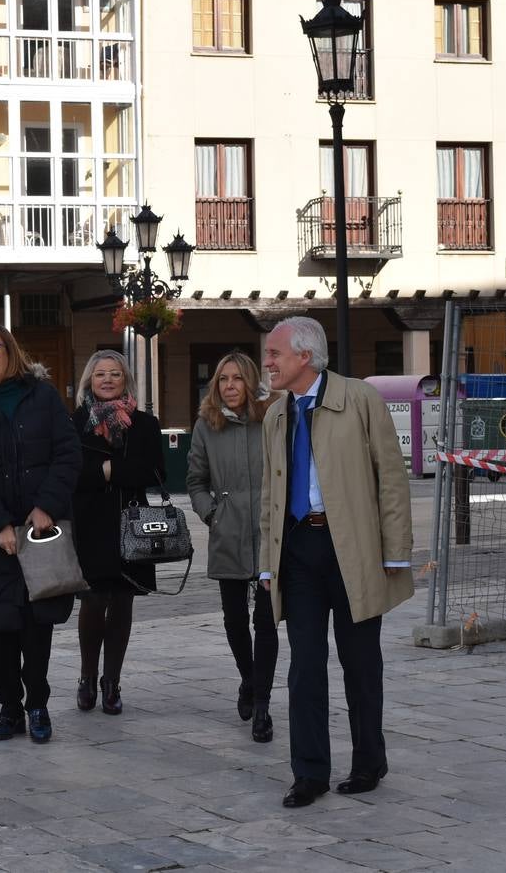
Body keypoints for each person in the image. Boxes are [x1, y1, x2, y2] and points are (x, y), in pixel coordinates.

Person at [258, 316, 413, 809]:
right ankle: (309, 774)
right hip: (299, 552)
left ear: (305, 356)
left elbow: (391, 478)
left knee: (360, 663)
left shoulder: (360, 399)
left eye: (275, 354)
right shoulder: (274, 416)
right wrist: (267, 564)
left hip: (355, 550)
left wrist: (396, 552)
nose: (268, 362)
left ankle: (369, 762)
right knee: (304, 664)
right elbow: (269, 496)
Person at [0, 324, 81, 744]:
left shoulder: (42, 396)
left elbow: (67, 454)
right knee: (0, 628)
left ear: (10, 352)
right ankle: (9, 707)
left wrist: (47, 508)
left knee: (37, 624)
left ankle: (37, 703)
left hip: (40, 532)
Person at [186, 350, 278, 744]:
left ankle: (262, 704)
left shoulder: (272, 418)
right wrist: (213, 513)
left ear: (250, 381)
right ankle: (247, 677)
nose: (229, 386)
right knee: (235, 619)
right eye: (223, 379)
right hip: (228, 530)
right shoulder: (207, 424)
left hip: (269, 533)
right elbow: (195, 480)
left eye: (237, 379)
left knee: (267, 620)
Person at [68, 349, 163, 716]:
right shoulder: (75, 423)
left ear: (126, 380)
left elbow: (153, 473)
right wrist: (106, 471)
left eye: (115, 374)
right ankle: (87, 677)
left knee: (123, 600)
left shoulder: (144, 424)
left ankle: (112, 682)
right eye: (100, 375)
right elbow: (70, 474)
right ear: (89, 382)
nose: (107, 380)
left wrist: (107, 470)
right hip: (89, 523)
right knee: (93, 601)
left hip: (131, 522)